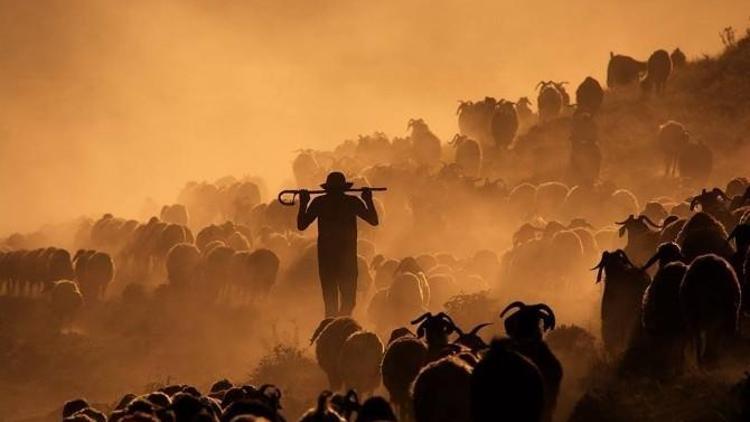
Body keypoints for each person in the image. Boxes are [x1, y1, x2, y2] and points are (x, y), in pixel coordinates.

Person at [297, 172, 379, 317]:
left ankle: (334, 329)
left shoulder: (320, 202)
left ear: (327, 189)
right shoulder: (351, 202)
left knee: (331, 304)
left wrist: (304, 203)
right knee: (348, 303)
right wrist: (368, 200)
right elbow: (373, 220)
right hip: (347, 259)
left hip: (327, 259)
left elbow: (302, 224)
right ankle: (341, 328)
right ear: (344, 188)